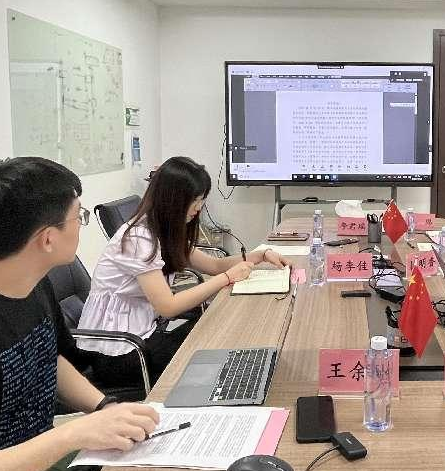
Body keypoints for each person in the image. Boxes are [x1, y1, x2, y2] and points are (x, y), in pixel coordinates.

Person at [0, 157, 160, 471]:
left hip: (41, 464)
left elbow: (48, 359)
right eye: (79, 217)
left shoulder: (33, 283)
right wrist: (72, 433)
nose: (81, 225)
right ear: (48, 239)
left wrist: (107, 408)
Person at [77, 156, 288, 386]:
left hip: (142, 333)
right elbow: (168, 306)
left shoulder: (163, 228)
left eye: (202, 199)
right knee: (220, 335)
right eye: (195, 200)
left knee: (220, 326)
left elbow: (214, 266)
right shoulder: (139, 238)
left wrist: (260, 255)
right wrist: (227, 278)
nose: (199, 207)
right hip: (118, 352)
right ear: (173, 199)